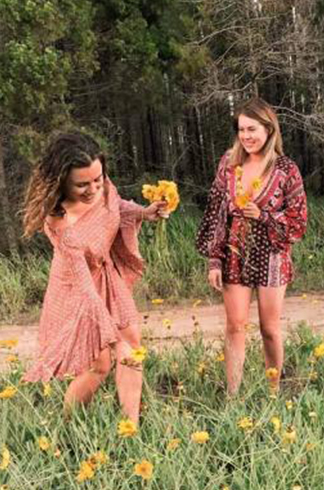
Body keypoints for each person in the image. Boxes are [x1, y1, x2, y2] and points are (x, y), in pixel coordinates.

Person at [21, 131, 168, 423]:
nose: (92, 189)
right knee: (99, 363)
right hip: (77, 290)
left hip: (106, 275)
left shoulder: (102, 186)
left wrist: (144, 212)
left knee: (133, 348)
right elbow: (86, 290)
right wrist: (113, 342)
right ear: (62, 181)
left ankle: (131, 427)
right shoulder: (60, 223)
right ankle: (68, 425)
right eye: (82, 185)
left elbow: (115, 205)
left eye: (97, 180)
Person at [195, 97, 308, 395]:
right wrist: (214, 260)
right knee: (235, 326)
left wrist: (265, 215)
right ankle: (233, 396)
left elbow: (299, 221)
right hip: (235, 254)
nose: (246, 136)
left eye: (252, 129)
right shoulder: (229, 163)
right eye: (242, 130)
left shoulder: (286, 169)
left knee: (269, 328)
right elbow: (216, 212)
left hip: (272, 255)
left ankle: (274, 391)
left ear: (269, 130)